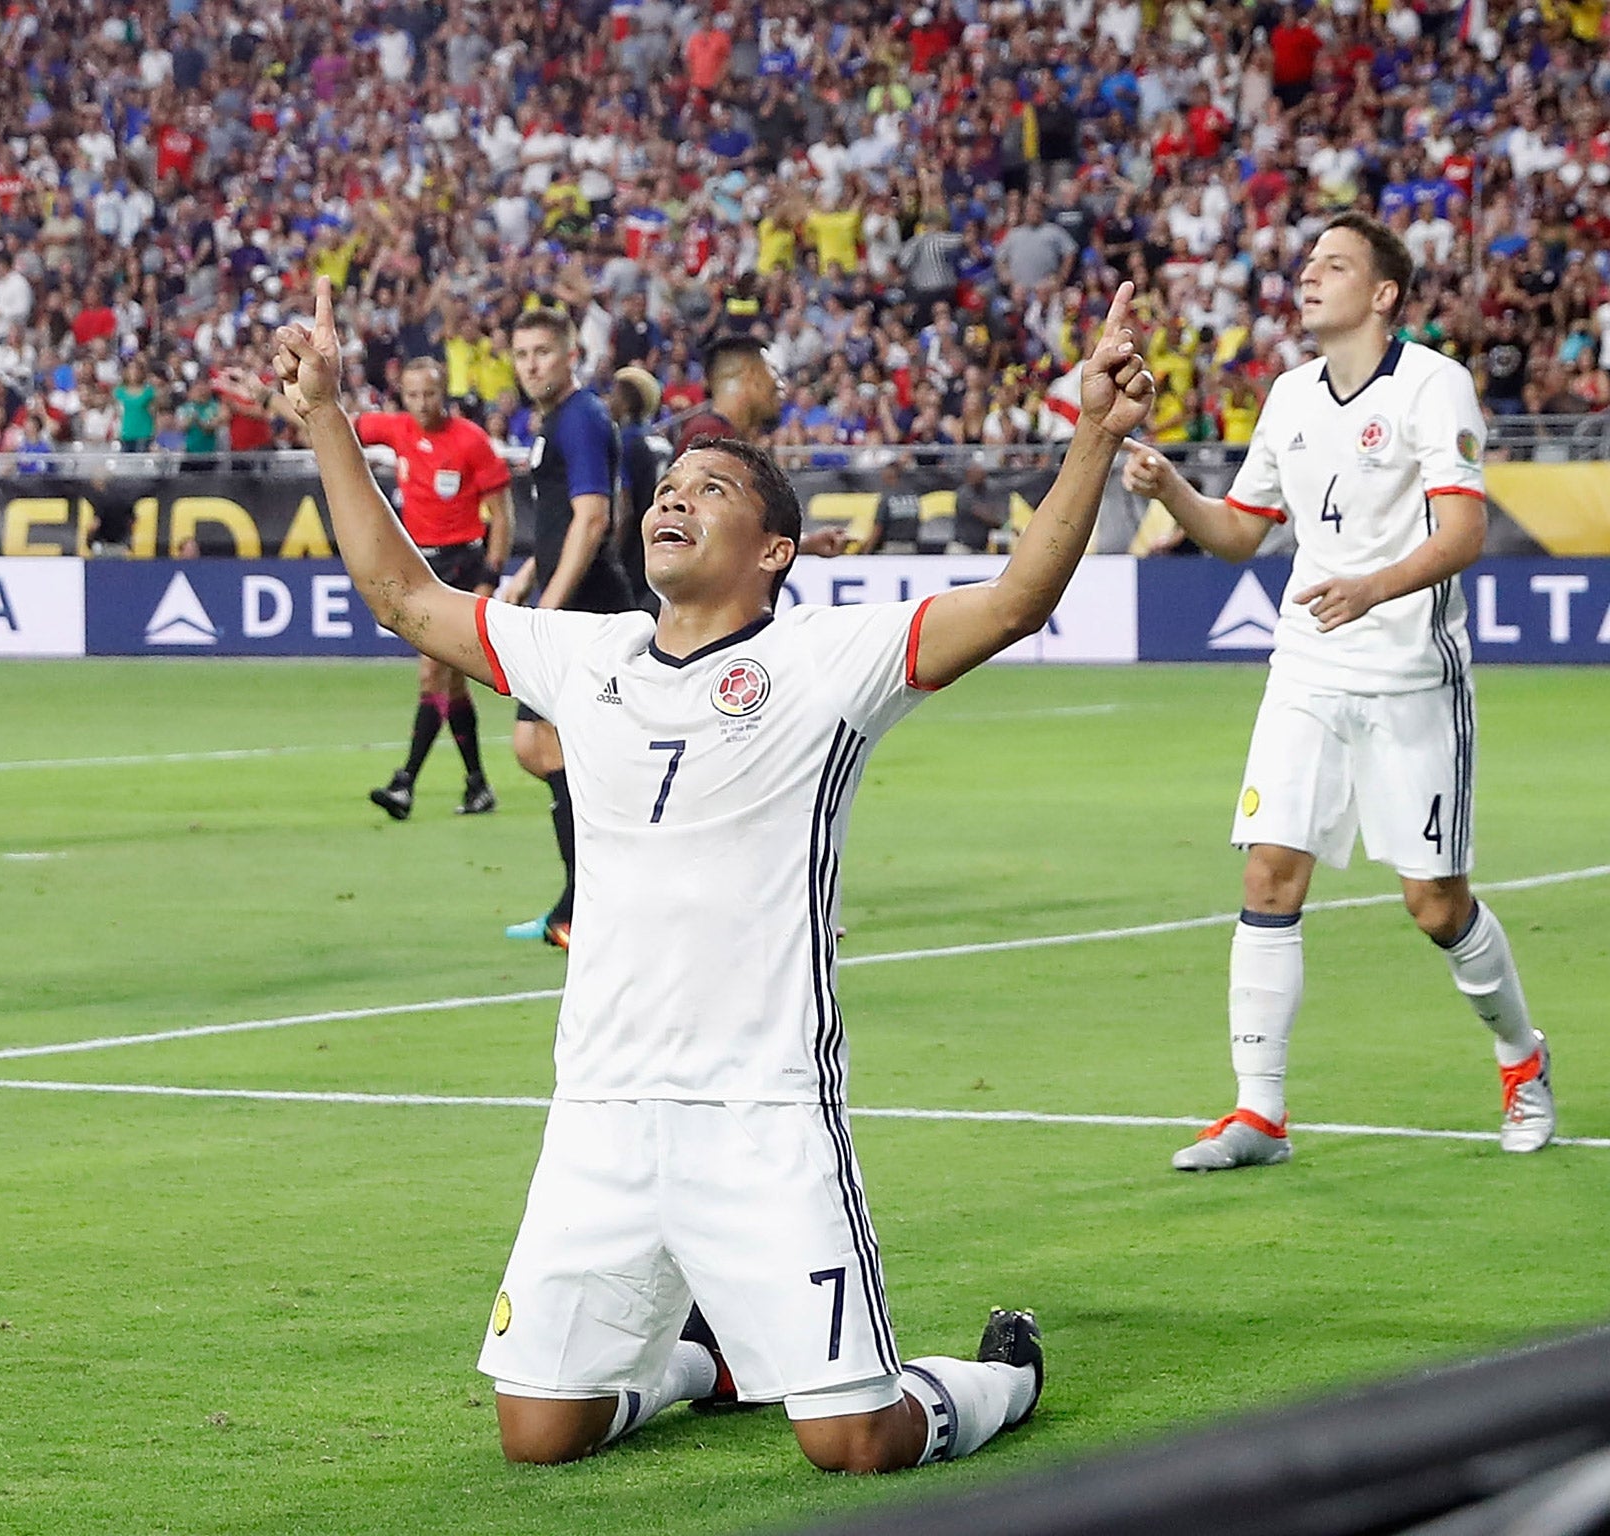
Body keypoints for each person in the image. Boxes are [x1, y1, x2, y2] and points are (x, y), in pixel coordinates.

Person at [271, 275, 1155, 1473]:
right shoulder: (586, 656)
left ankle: (993, 1377)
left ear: (775, 549)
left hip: (761, 1111)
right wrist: (326, 411)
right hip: (601, 1110)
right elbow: (399, 594)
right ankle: (711, 1362)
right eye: (669, 488)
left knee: (853, 1439)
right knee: (540, 1433)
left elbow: (1013, 599)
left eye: (711, 490)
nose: (671, 501)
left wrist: (1093, 432)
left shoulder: (827, 658)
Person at [1121, 213, 1556, 1170]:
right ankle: (1259, 1115)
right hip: (1307, 670)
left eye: (1334, 264)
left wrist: (1369, 588)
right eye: (1307, 260)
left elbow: (1462, 535)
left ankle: (1521, 1056)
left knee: (1435, 905)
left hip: (1410, 677)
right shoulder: (1285, 396)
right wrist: (1169, 492)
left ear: (1385, 293)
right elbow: (1241, 532)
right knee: (1269, 873)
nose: (1308, 274)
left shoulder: (1433, 385)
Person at [228, 355, 515, 818]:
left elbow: (501, 515)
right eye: (414, 395)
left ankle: (405, 783)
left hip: (462, 569)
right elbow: (326, 422)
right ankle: (477, 785)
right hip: (419, 566)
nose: (423, 404)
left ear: (445, 394)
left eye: (431, 394)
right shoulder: (397, 429)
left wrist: (490, 577)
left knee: (431, 675)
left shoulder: (472, 441)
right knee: (452, 685)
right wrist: (266, 398)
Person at [494, 307, 632, 950]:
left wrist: (547, 608)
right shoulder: (551, 422)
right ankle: (581, 905)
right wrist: (525, 576)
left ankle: (583, 909)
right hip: (567, 600)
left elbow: (592, 518)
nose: (531, 365)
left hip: (586, 609)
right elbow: (558, 526)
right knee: (550, 750)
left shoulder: (580, 418)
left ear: (570, 353)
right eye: (521, 354)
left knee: (545, 747)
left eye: (543, 352)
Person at [674, 336, 849, 557]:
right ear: (751, 376)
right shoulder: (709, 437)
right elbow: (712, 536)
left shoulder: (727, 437)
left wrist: (806, 544)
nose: (780, 385)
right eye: (773, 372)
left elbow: (740, 535)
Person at [609, 363, 668, 617]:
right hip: (657, 547)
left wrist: (613, 556)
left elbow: (625, 507)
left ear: (626, 401)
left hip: (632, 553)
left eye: (615, 394)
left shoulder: (625, 442)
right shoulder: (660, 442)